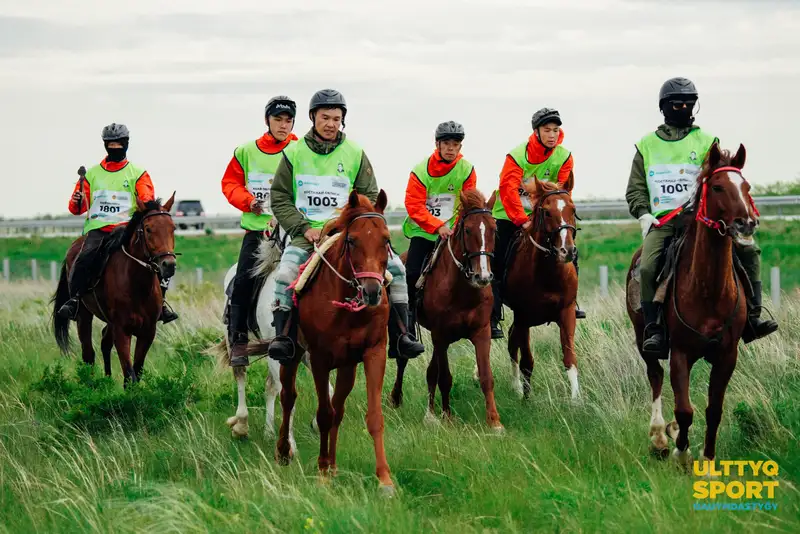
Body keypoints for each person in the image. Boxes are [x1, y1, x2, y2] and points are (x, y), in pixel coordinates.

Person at [258, 89, 425, 367]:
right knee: (286, 272)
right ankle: (283, 338)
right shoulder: (294, 153)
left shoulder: (355, 152)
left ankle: (401, 335)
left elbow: (370, 195)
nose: (331, 123)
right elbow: (279, 197)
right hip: (307, 233)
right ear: (313, 118)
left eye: (336, 118)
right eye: (325, 117)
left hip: (349, 233)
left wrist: (352, 225)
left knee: (396, 269)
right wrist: (302, 228)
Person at [626, 76, 778, 356]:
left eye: (689, 103)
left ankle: (753, 317)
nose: (683, 107)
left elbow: (721, 179)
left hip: (702, 221)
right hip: (663, 222)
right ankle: (654, 329)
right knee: (647, 267)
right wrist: (644, 214)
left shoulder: (708, 141)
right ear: (664, 107)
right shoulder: (646, 146)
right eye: (677, 103)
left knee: (750, 250)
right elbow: (635, 189)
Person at [57, 123, 177, 323]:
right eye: (110, 145)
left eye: (118, 145)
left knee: (158, 258)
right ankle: (75, 300)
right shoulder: (92, 174)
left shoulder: (138, 173)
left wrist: (146, 202)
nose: (115, 149)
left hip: (127, 230)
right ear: (105, 145)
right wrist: (76, 200)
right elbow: (76, 208)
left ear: (126, 144)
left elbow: (147, 197)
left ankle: (160, 303)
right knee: (83, 257)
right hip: (99, 229)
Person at [490, 107, 584, 339]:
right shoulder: (517, 156)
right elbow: (508, 189)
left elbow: (562, 191)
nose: (552, 135)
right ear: (536, 132)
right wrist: (521, 220)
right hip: (508, 215)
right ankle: (494, 312)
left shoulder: (564, 156)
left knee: (569, 246)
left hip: (544, 216)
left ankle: (572, 299)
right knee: (496, 258)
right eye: (546, 130)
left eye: (555, 130)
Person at [222, 96, 299, 362]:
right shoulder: (245, 151)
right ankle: (238, 341)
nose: (284, 125)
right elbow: (230, 184)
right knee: (242, 280)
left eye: (289, 120)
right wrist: (248, 201)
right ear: (267, 120)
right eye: (278, 119)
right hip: (258, 231)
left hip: (293, 229)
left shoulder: (300, 150)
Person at [402, 121, 477, 344]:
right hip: (424, 231)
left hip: (455, 231)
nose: (451, 148)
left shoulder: (467, 170)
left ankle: (488, 317)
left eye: (456, 144)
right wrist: (437, 226)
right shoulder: (420, 171)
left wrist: (456, 227)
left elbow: (468, 202)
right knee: (412, 273)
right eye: (446, 143)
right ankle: (408, 324)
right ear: (437, 144)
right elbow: (413, 205)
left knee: (481, 262)